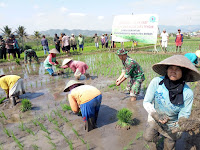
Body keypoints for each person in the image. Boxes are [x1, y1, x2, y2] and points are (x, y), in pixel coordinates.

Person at [143, 55, 200, 150]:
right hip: (155, 117)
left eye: (177, 69)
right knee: (148, 137)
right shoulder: (157, 82)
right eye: (171, 68)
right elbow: (146, 102)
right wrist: (155, 115)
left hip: (173, 124)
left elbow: (184, 113)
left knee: (169, 146)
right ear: (166, 70)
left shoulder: (187, 93)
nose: (173, 71)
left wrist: (179, 126)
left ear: (183, 72)